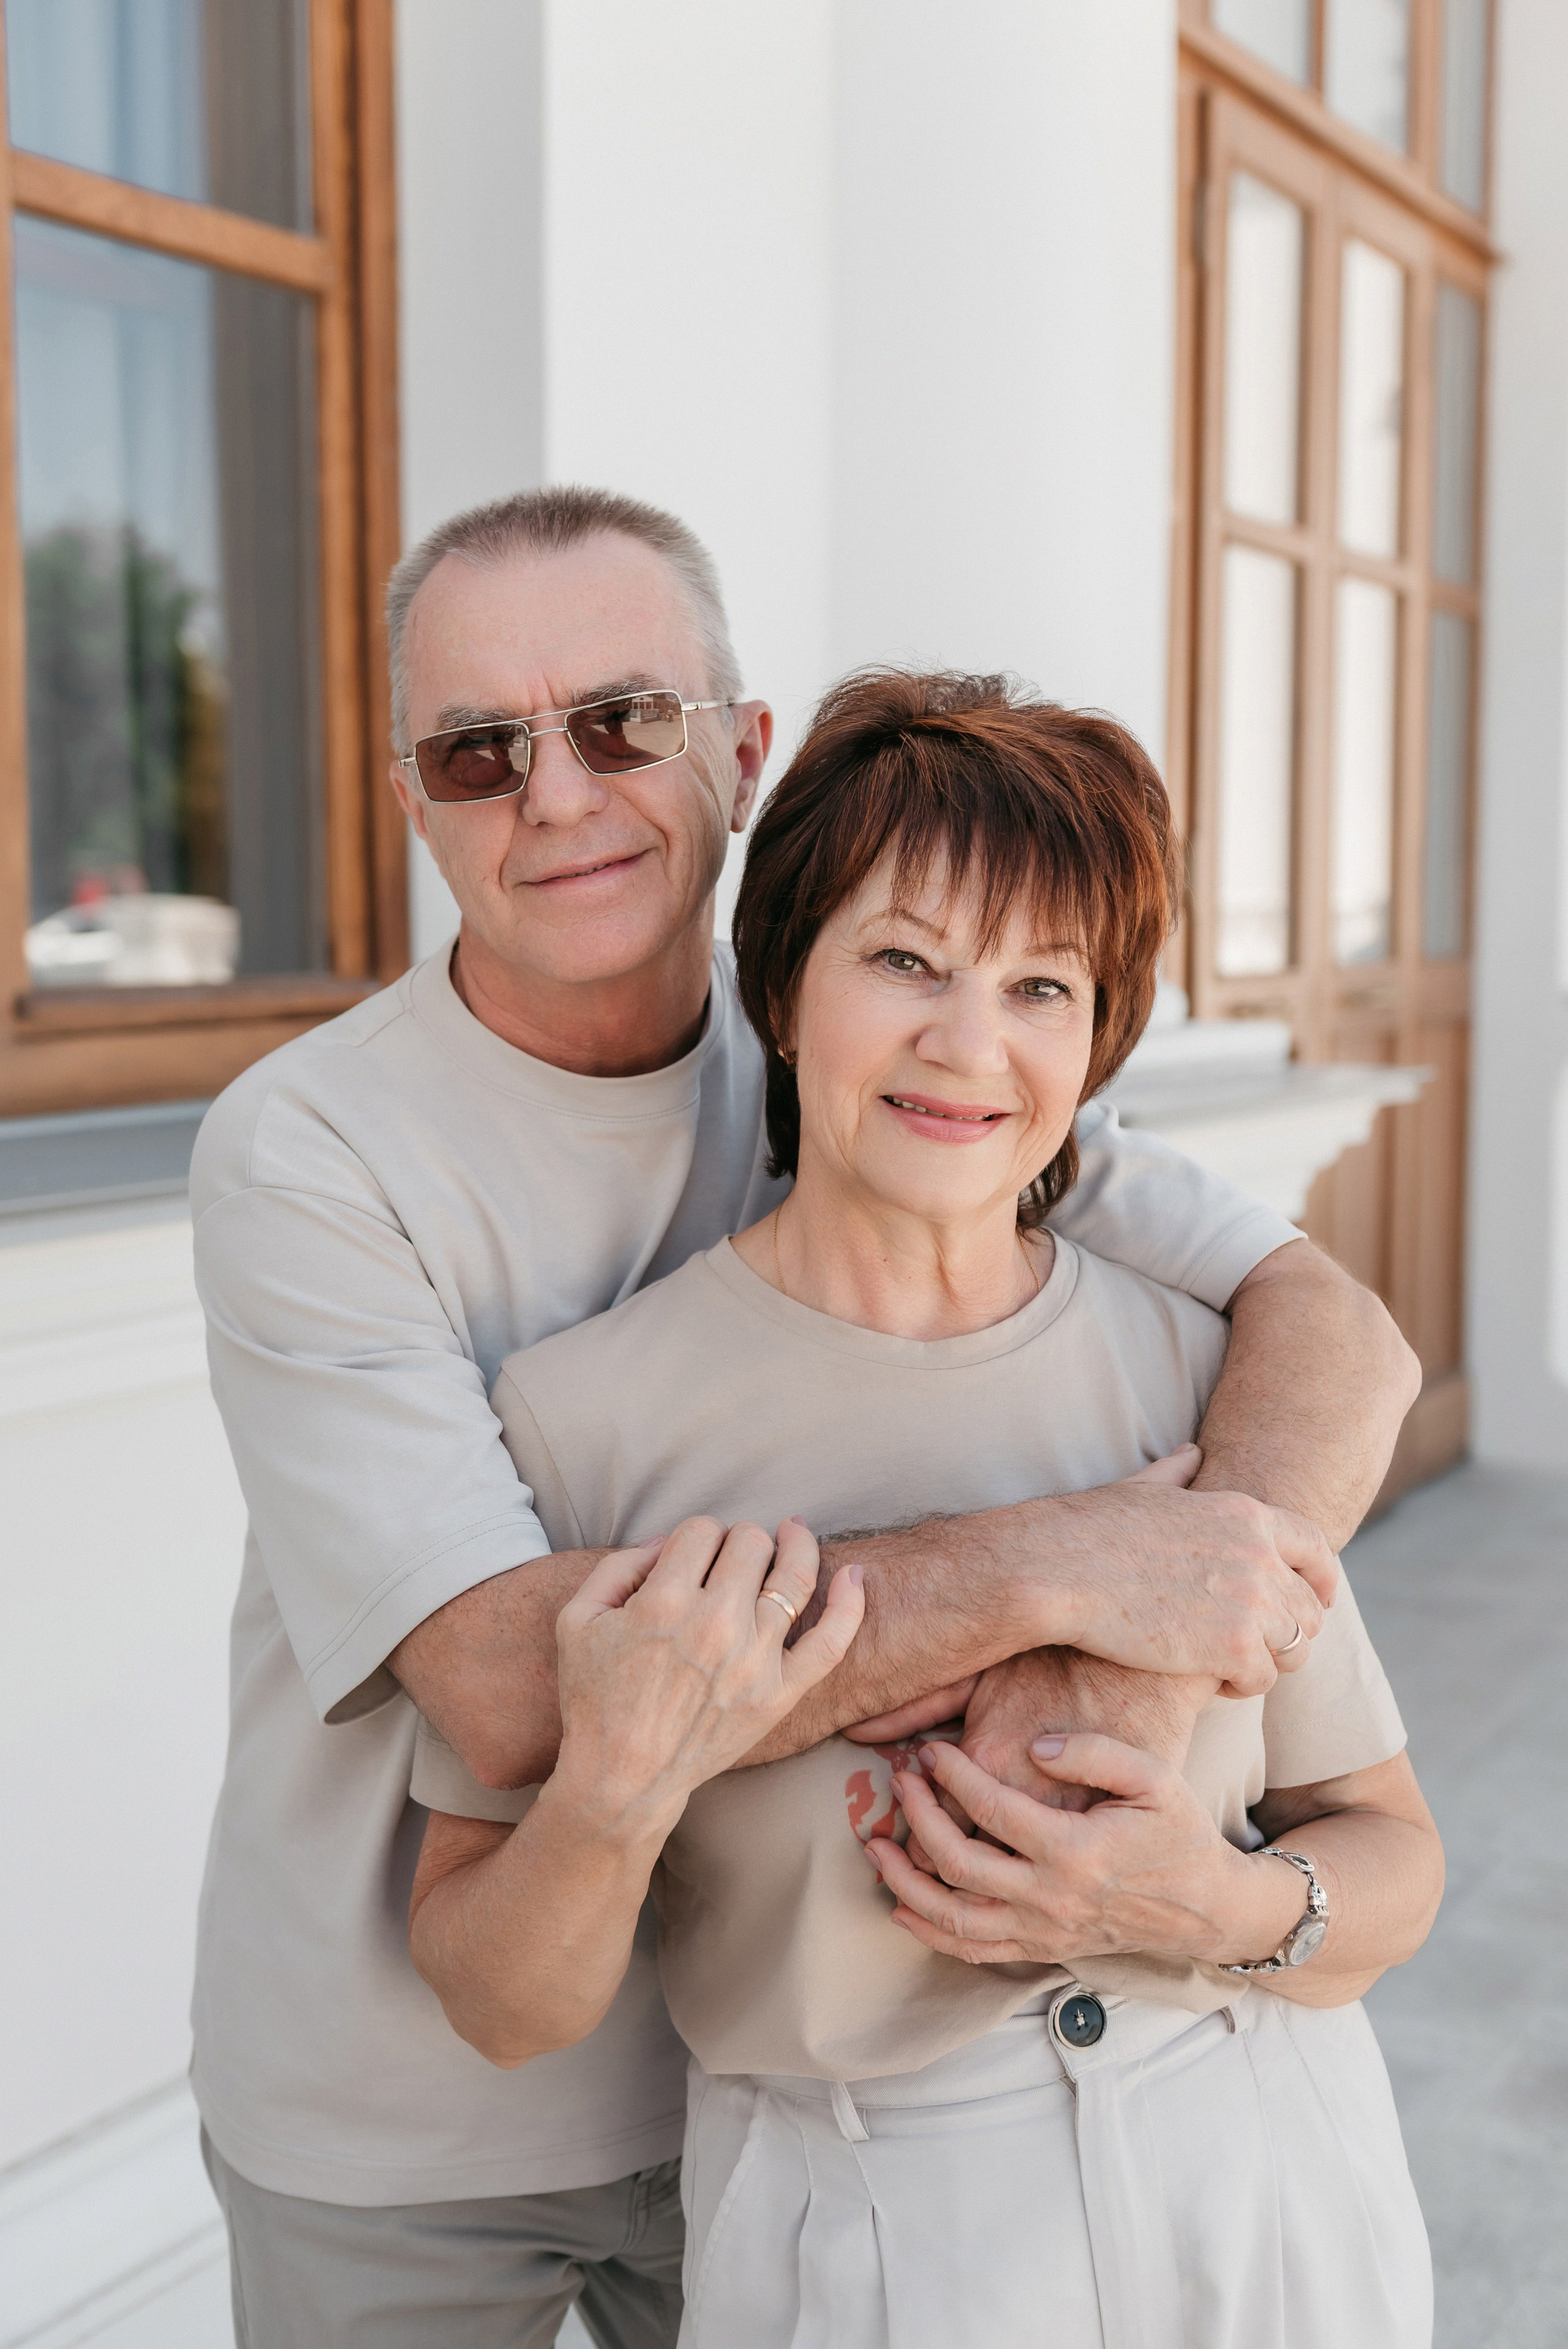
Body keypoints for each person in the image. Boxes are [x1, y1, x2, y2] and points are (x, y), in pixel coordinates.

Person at [190, 488, 1416, 2348]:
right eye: (479, 748)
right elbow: (525, 1691)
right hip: (420, 2112)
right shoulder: (310, 1150)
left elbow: (1329, 1326)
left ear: (741, 751)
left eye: (623, 721)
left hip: (760, 2095)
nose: (560, 794)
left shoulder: (896, 1067)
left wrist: (1153, 1727)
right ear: (415, 790)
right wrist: (1066, 1573)